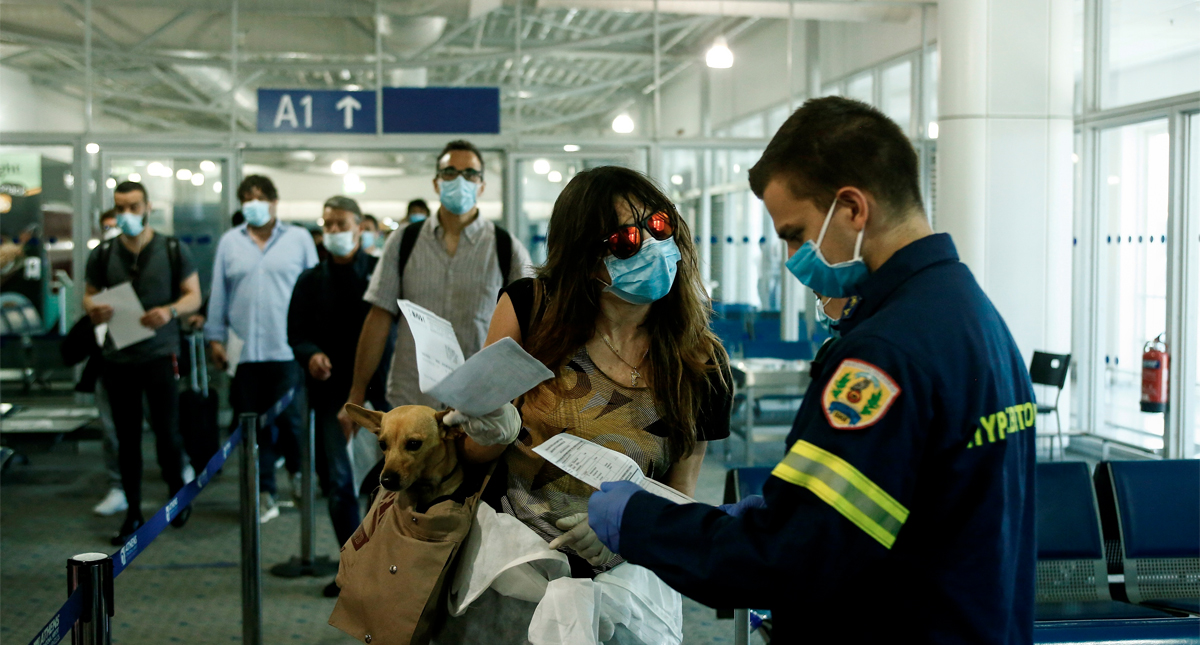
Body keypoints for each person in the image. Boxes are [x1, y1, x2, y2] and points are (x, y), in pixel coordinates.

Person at [586, 97, 1038, 643]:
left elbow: (790, 560)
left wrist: (638, 521)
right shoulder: (973, 313)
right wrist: (790, 511)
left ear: (852, 208)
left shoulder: (884, 354)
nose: (794, 257)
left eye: (796, 233)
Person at [432, 166, 732, 643]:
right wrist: (490, 431)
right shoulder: (532, 310)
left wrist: (627, 530)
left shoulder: (701, 359)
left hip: (629, 588)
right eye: (628, 239)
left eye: (659, 226)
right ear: (588, 258)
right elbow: (472, 456)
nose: (653, 246)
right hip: (514, 576)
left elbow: (681, 492)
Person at [339, 140, 532, 435]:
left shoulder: (506, 248)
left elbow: (526, 331)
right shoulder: (404, 242)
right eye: (450, 172)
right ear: (436, 182)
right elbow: (378, 319)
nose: (460, 181)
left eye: (470, 174)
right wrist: (355, 393)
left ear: (481, 185)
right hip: (409, 402)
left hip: (478, 408)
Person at [83, 181, 203, 544]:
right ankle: (133, 510)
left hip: (159, 355)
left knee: (167, 432)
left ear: (148, 206)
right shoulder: (103, 254)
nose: (127, 215)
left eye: (133, 207)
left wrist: (169, 311)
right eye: (120, 208)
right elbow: (88, 297)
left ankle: (177, 497)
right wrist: (95, 309)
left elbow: (193, 296)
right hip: (119, 357)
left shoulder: (170, 248)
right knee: (127, 437)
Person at [287, 196, 389, 598]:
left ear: (360, 227)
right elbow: (295, 333)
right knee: (341, 483)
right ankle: (352, 566)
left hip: (380, 398)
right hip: (332, 399)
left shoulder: (379, 275)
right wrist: (311, 354)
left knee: (383, 484)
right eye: (327, 224)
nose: (333, 232)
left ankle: (383, 568)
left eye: (341, 224)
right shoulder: (311, 280)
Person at [205, 174, 318, 523]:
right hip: (243, 354)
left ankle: (299, 477)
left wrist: (314, 343)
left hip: (286, 350)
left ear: (273, 202)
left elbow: (315, 291)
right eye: (246, 198)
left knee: (292, 423)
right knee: (253, 429)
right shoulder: (230, 242)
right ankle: (263, 491)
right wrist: (214, 337)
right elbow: (219, 293)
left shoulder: (298, 239)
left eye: (258, 197)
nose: (252, 204)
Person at [92, 208, 128, 517]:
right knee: (111, 427)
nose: (111, 233)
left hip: (143, 354)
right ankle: (119, 486)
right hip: (107, 355)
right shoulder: (99, 262)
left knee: (160, 422)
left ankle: (179, 470)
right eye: (106, 228)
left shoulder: (141, 262)